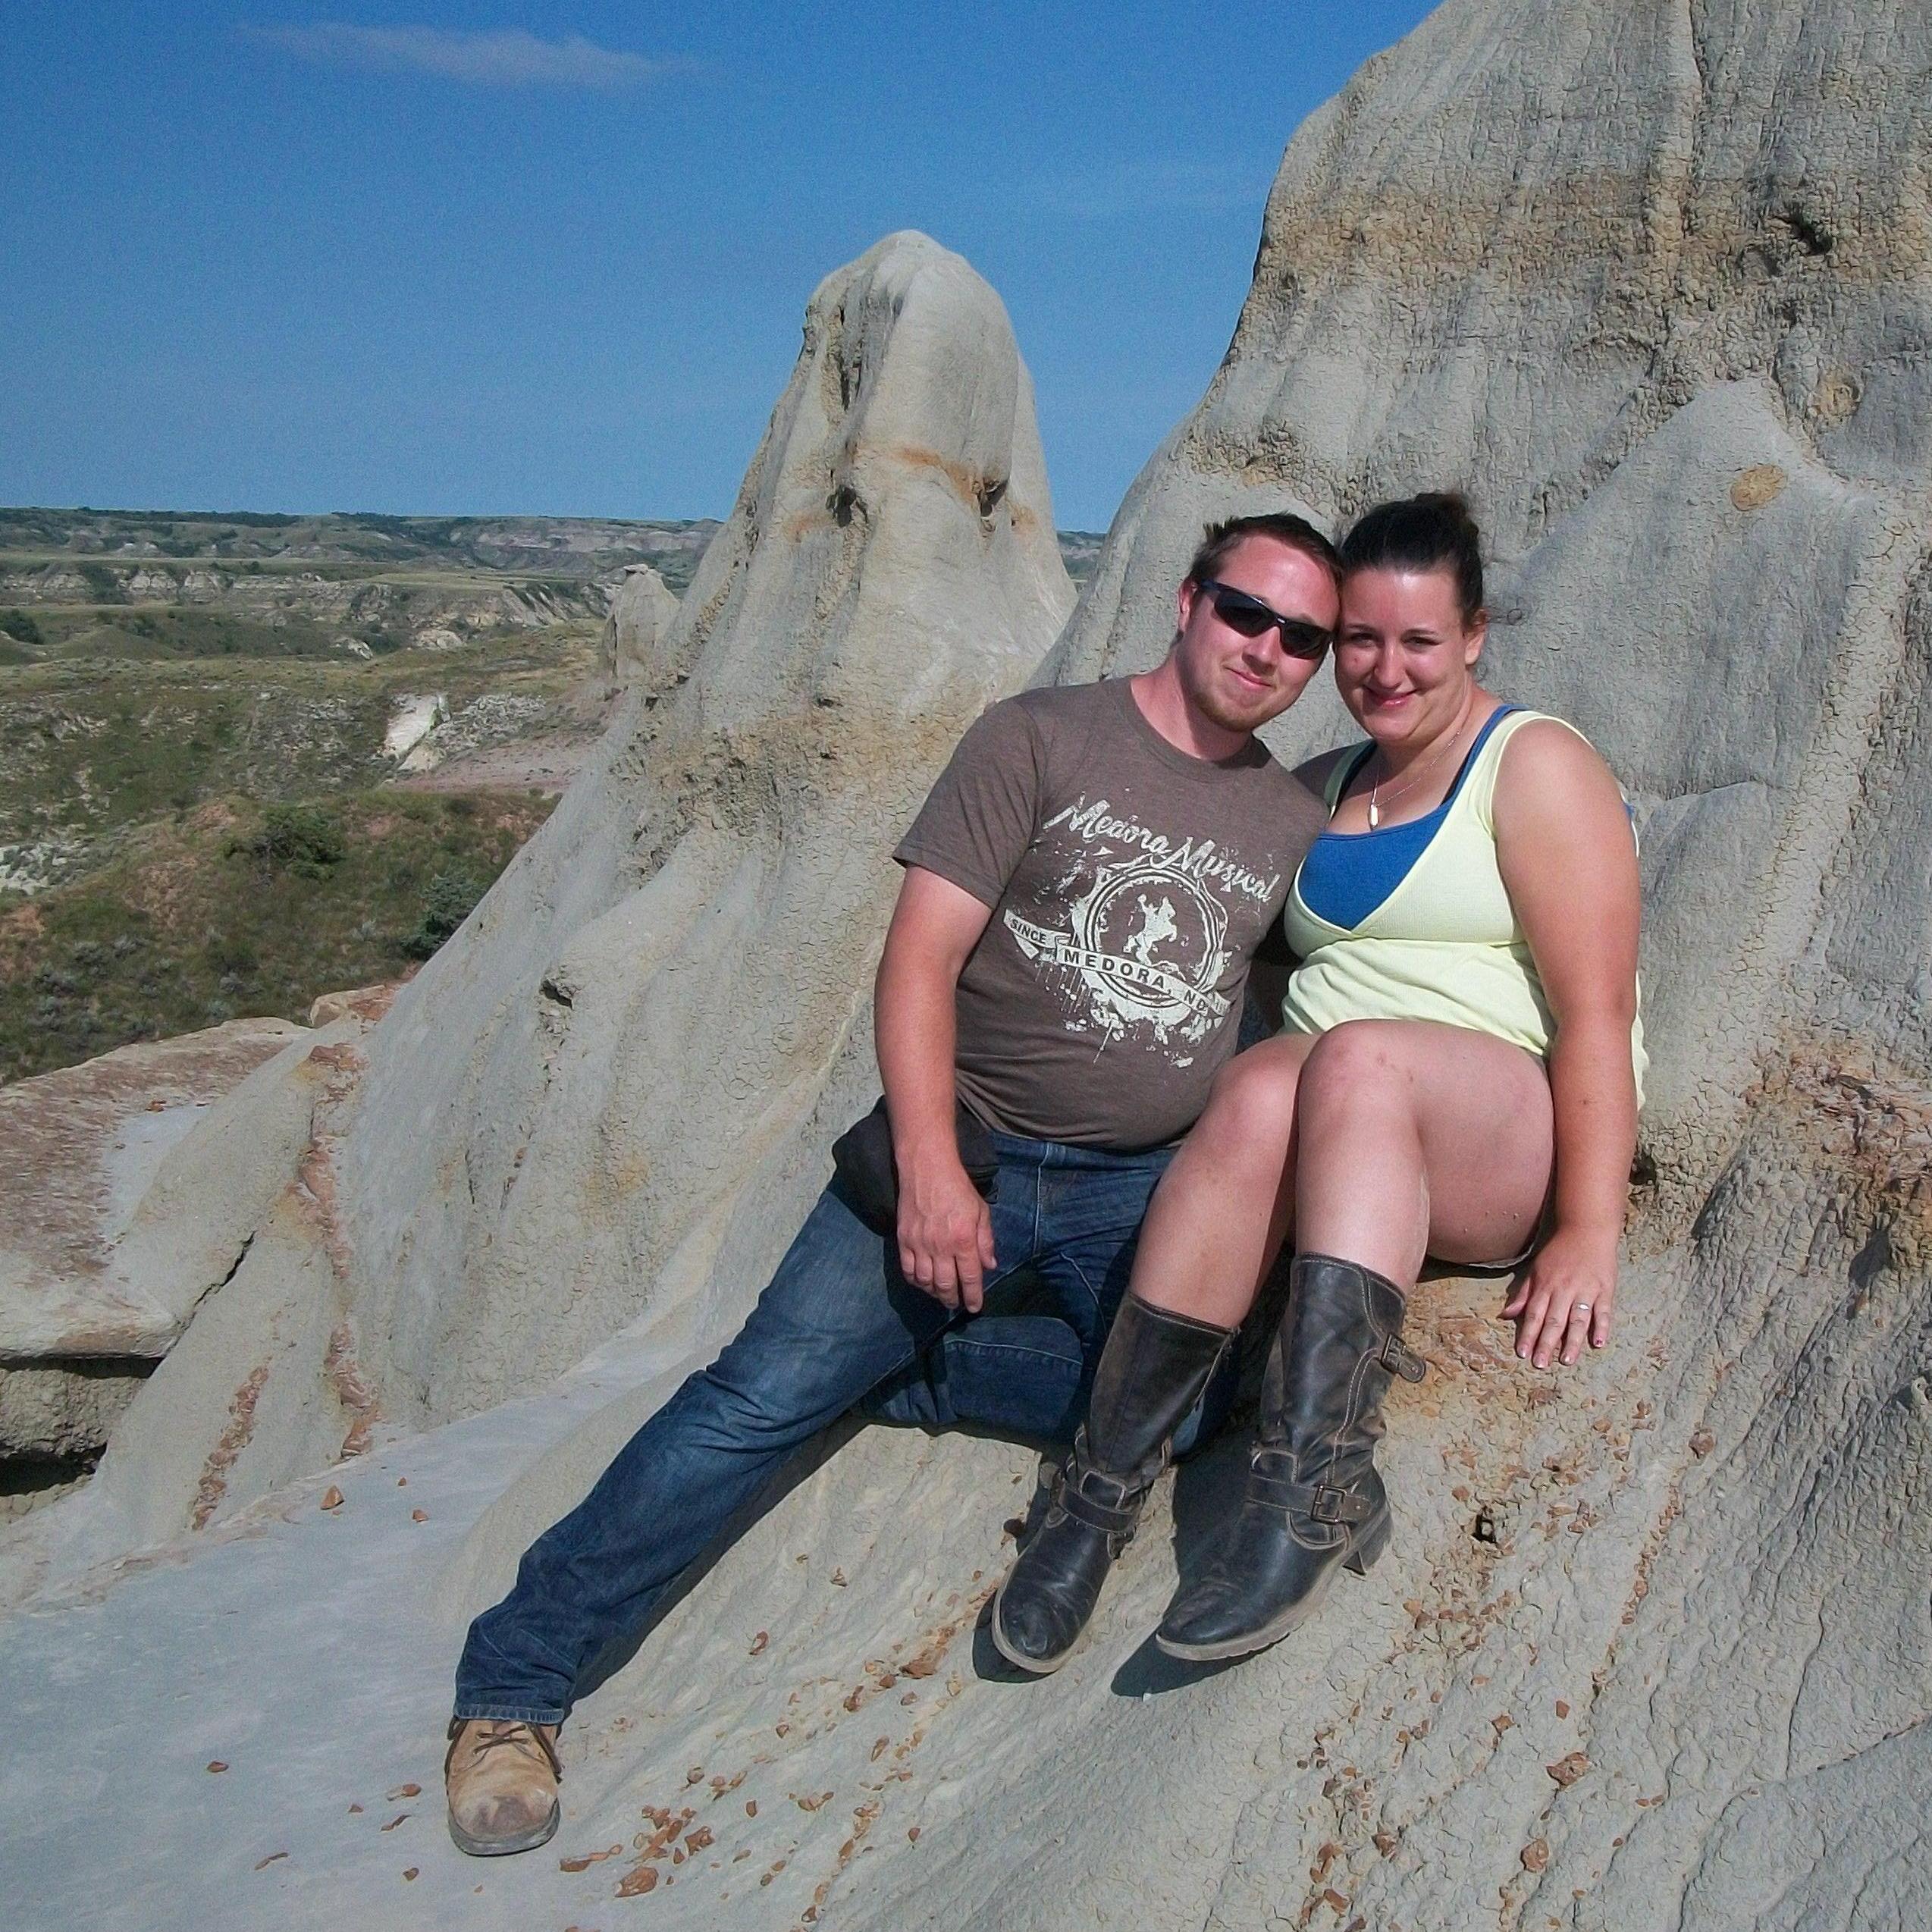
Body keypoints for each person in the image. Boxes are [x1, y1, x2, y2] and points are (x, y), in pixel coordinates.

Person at [444, 511, 1344, 1855]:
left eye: (1300, 636)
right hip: (967, 1144)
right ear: (1186, 598)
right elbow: (920, 957)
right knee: (751, 1401)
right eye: (1245, 611)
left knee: (1202, 1399)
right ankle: (513, 1685)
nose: (1266, 647)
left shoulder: (1286, 816)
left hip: (1136, 1186)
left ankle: (903, 1369)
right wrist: (930, 1172)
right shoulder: (1038, 737)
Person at [990, 491, 1646, 1673]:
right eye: (1359, 640)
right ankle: (1095, 1494)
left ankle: (1311, 1490)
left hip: (1496, 1137)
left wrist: (1591, 1229)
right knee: (1256, 1090)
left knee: (1355, 1055)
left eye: (1419, 643)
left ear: (1477, 635)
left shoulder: (1532, 763)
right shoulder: (1333, 778)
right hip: (1339, 1130)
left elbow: (1599, 1013)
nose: (1384, 670)